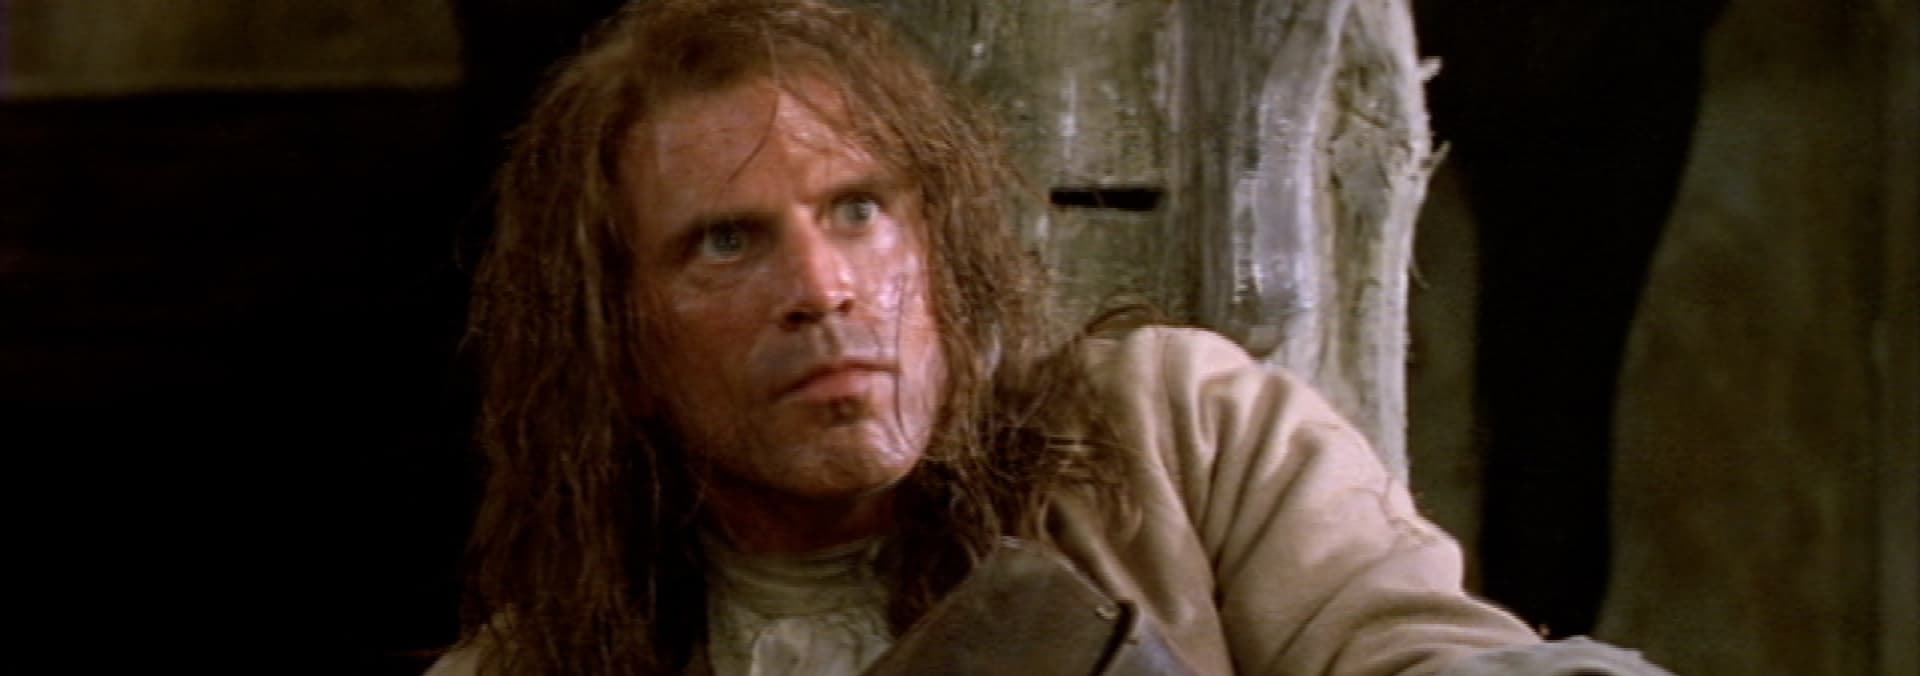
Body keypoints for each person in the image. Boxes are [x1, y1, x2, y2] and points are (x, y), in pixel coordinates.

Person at [427, 0, 1672, 674]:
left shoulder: (1176, 435)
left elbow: (1428, 650)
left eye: (858, 210)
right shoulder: (536, 661)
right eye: (725, 242)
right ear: (624, 342)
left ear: (942, 246)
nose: (823, 287)